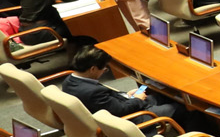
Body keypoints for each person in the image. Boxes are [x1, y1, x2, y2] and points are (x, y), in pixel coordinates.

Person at [62, 45, 190, 124]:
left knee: (160, 94)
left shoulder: (69, 81)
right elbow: (121, 111)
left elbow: (108, 103)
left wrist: (126, 95)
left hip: (125, 101)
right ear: (93, 69)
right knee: (185, 108)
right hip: (133, 118)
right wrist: (137, 100)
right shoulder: (92, 92)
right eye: (104, 69)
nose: (104, 71)